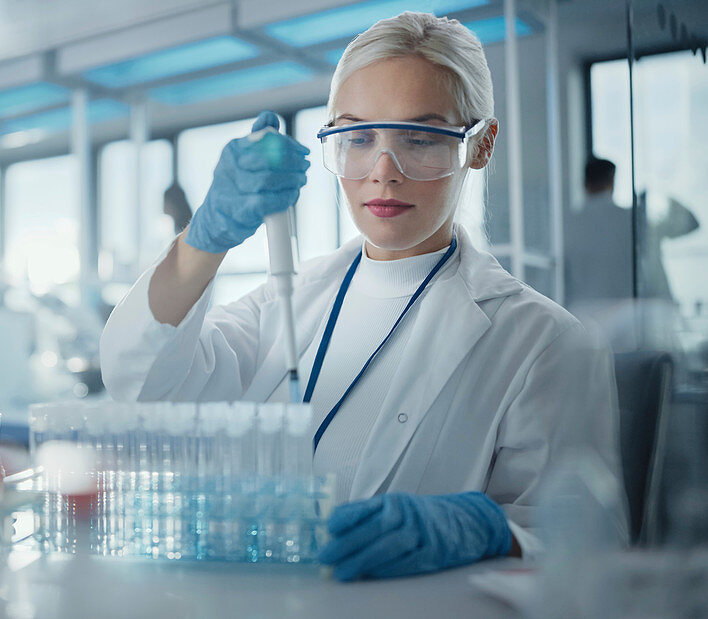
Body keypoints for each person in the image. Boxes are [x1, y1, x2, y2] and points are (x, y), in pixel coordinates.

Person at [100, 12, 625, 580]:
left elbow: (591, 556)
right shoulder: (288, 301)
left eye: (420, 138)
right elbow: (143, 380)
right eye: (358, 137)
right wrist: (207, 237)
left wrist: (496, 534)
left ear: (480, 145)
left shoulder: (544, 343)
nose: (383, 172)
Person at [564, 157, 699, 352]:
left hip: (580, 315)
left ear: (584, 184)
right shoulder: (631, 218)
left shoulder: (566, 224)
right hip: (625, 316)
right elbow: (692, 224)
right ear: (612, 182)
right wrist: (660, 192)